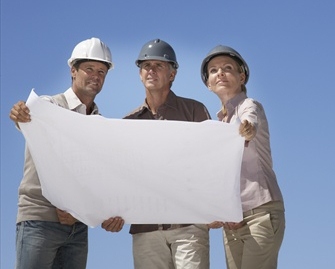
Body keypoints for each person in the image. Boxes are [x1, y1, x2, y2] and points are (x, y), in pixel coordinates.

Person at [9, 37, 124, 269]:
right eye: (89, 69)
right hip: (40, 221)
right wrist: (20, 114)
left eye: (101, 71)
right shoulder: (48, 105)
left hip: (77, 228)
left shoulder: (101, 125)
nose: (96, 76)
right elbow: (26, 118)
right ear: (73, 70)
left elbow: (97, 178)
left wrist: (108, 212)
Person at [124, 38, 211, 269]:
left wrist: (215, 207)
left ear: (172, 74)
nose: (151, 70)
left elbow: (211, 164)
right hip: (145, 229)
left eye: (159, 65)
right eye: (146, 66)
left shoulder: (194, 111)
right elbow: (121, 175)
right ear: (140, 73)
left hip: (189, 224)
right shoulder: (127, 123)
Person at [201, 45, 285, 269]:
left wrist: (247, 128)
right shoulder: (218, 124)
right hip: (232, 220)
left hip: (261, 213)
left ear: (242, 76)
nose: (220, 73)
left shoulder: (250, 106)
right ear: (208, 84)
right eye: (213, 70)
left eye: (228, 68)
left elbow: (249, 123)